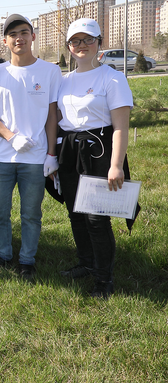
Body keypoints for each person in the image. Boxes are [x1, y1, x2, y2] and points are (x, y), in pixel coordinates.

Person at [0, 14, 62, 279]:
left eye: (24, 32)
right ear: (5, 41)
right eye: (13, 34)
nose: (19, 38)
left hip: (35, 159)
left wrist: (51, 154)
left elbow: (52, 115)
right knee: (1, 213)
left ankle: (27, 260)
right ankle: (3, 255)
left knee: (31, 214)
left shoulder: (49, 71)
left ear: (33, 36)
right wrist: (12, 137)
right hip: (2, 158)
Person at [56, 18, 134, 299]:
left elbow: (120, 127)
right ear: (68, 46)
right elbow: (58, 120)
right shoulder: (63, 80)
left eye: (88, 39)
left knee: (96, 218)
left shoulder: (112, 78)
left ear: (100, 42)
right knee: (75, 214)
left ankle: (104, 279)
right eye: (75, 41)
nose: (82, 45)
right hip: (71, 152)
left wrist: (115, 165)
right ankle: (86, 264)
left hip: (100, 152)